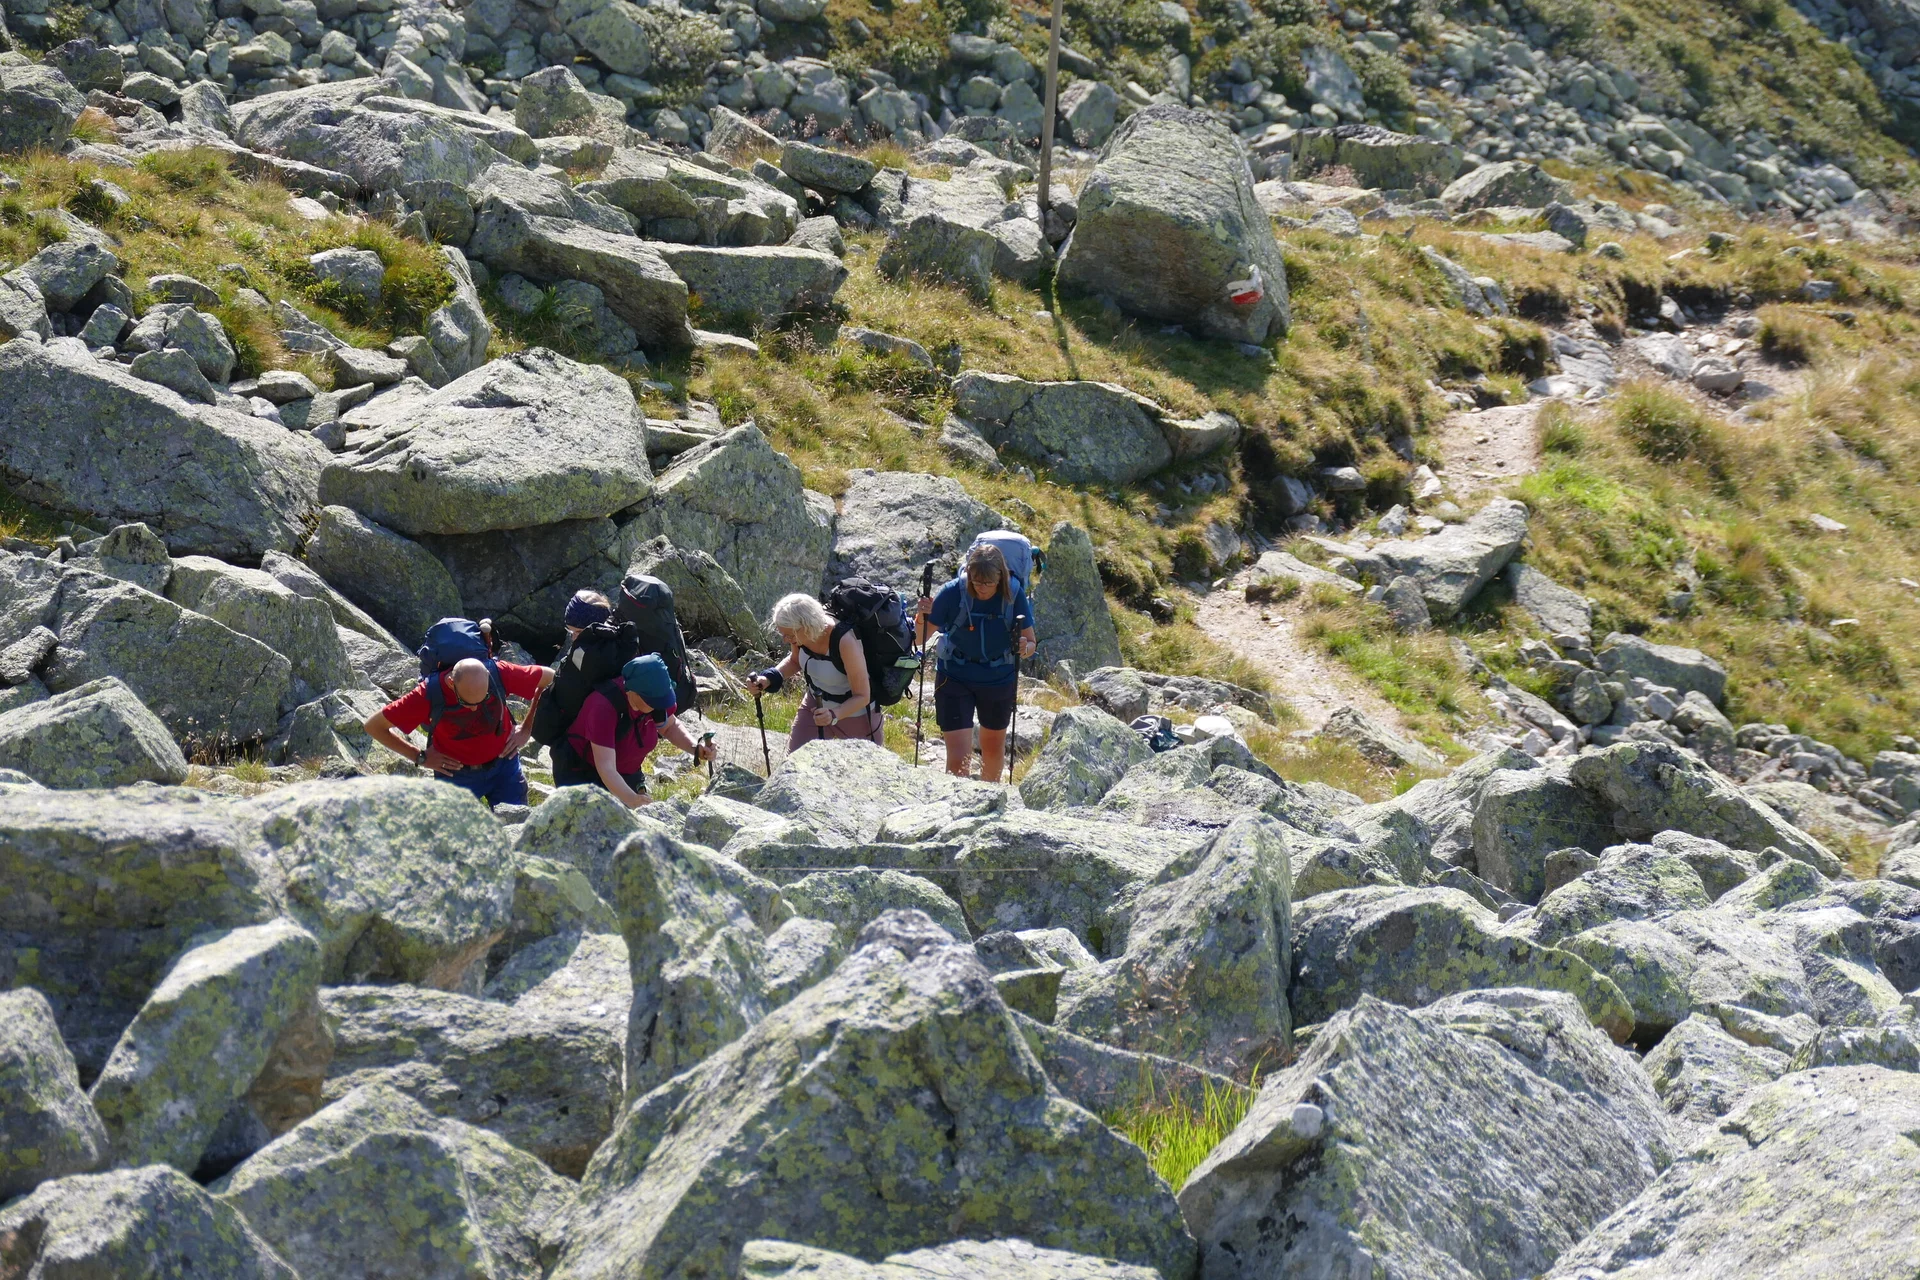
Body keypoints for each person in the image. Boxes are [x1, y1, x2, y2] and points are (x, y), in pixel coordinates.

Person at [364, 654, 553, 806]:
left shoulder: (500, 673)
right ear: (452, 682)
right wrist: (418, 756)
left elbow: (550, 677)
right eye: (466, 702)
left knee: (517, 830)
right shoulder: (427, 694)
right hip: (456, 776)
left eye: (483, 699)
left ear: (488, 676)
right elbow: (374, 726)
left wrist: (527, 728)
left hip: (505, 766)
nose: (473, 708)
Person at [916, 542, 1035, 780]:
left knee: (992, 749)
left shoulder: (1013, 594)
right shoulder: (953, 592)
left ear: (1000, 577)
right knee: (959, 757)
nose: (981, 589)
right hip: (954, 678)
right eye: (976, 582)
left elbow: (1031, 642)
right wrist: (921, 617)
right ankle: (956, 801)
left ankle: (988, 796)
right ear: (968, 574)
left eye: (988, 583)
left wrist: (1025, 648)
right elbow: (919, 639)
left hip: (998, 679)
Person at [556, 653, 715, 807]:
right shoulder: (602, 707)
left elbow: (670, 727)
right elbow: (606, 767)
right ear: (632, 691)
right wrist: (631, 799)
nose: (658, 705)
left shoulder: (655, 698)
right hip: (582, 773)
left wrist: (696, 748)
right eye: (653, 701)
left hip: (626, 774)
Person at [746, 593, 885, 748]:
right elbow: (795, 661)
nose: (785, 640)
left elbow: (862, 696)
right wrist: (769, 678)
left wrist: (833, 715)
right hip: (815, 706)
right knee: (795, 765)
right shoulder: (800, 636)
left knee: (864, 770)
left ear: (807, 627)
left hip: (856, 715)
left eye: (789, 635)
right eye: (783, 634)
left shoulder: (845, 641)